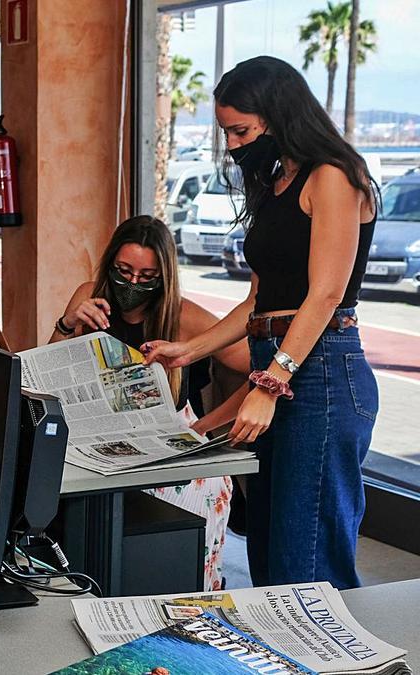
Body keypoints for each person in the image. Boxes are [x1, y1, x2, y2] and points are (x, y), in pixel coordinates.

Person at [145, 56, 379, 589]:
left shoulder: (335, 176)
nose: (232, 144)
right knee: (270, 562)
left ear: (279, 115)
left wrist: (271, 383)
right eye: (227, 131)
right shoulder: (277, 183)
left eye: (241, 130)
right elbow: (259, 302)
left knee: (308, 565)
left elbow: (325, 295)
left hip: (320, 372)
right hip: (279, 358)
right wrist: (190, 350)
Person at [50, 215, 249, 590]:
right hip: (102, 442)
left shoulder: (184, 316)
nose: (133, 285)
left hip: (169, 451)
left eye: (147, 277)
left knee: (171, 566)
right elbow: (51, 374)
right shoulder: (89, 296)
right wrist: (67, 322)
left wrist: (203, 429)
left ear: (164, 277)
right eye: (123, 272)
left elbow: (258, 373)